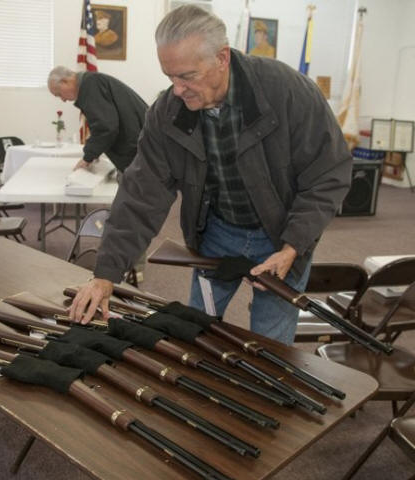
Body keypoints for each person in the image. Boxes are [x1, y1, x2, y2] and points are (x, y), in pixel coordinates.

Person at [69, 5, 352, 345]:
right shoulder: (167, 112)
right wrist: (106, 274)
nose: (176, 89)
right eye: (169, 77)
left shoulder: (287, 92)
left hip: (282, 232)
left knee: (272, 346)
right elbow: (141, 195)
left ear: (222, 58)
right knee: (196, 334)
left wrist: (294, 245)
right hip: (216, 231)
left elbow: (328, 173)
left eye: (187, 76)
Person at [47, 67, 147, 172]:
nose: (63, 100)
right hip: (139, 147)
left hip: (139, 152)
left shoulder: (90, 86)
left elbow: (105, 127)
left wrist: (88, 158)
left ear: (65, 81)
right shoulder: (91, 82)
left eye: (59, 94)